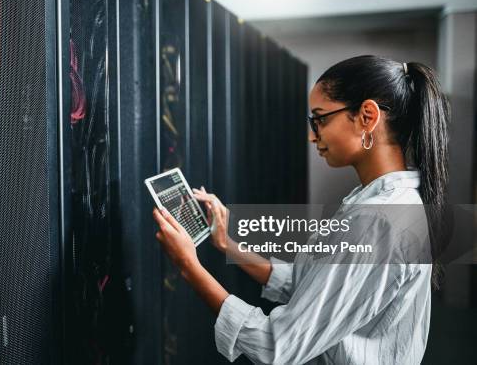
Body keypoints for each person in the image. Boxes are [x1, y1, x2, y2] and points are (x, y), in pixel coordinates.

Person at [152, 55, 449, 364]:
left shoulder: (378, 220)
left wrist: (189, 265)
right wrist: (227, 244)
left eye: (320, 119)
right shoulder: (386, 201)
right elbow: (313, 285)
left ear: (367, 116)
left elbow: (277, 345)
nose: (312, 134)